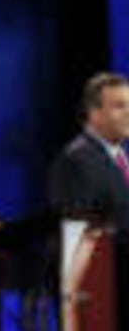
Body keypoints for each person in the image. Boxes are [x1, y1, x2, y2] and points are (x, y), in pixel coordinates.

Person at [47, 72, 129, 229]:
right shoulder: (75, 162)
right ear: (93, 113)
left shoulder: (123, 155)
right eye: (119, 106)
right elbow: (78, 238)